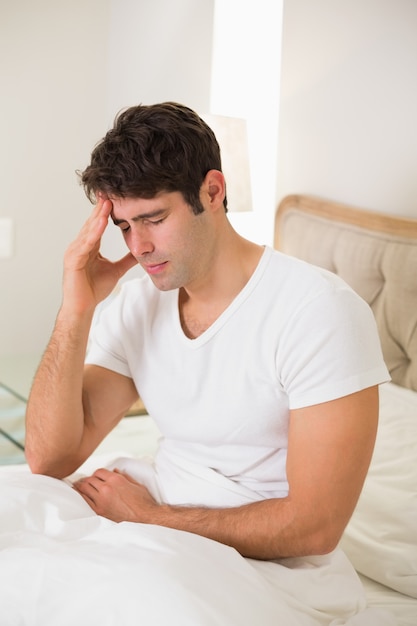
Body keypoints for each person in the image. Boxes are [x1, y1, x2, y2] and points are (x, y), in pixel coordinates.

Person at [25, 101, 389, 562]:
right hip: (152, 511)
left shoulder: (318, 312)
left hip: (256, 560)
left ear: (213, 191)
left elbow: (314, 527)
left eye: (154, 219)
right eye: (123, 226)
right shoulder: (137, 306)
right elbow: (49, 458)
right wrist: (75, 310)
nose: (138, 248)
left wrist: (151, 518)